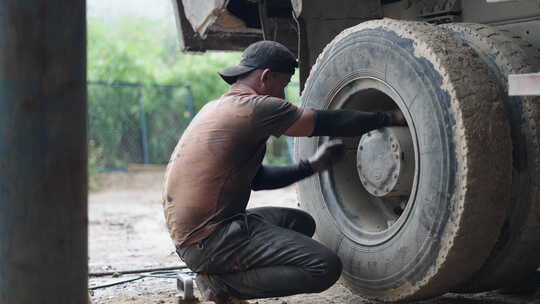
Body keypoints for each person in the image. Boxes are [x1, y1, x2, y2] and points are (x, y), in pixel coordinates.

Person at [163, 41, 405, 304]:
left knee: (301, 223)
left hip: (198, 236)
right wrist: (387, 118)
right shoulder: (258, 107)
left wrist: (311, 166)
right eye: (283, 84)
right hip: (210, 239)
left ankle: (217, 270)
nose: (283, 95)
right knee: (324, 267)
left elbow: (259, 180)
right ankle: (220, 283)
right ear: (266, 77)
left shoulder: (216, 108)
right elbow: (326, 122)